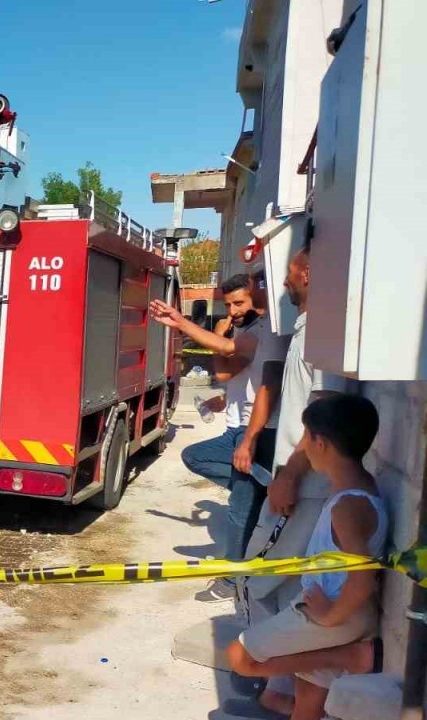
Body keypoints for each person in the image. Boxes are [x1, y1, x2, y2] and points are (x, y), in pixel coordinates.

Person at [225, 394, 387, 720]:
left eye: (305, 438)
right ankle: (341, 658)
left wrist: (329, 616)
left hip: (332, 614)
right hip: (334, 608)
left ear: (321, 442)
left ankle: (350, 657)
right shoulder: (360, 486)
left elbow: (364, 578)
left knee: (240, 658)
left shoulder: (348, 506)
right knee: (307, 704)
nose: (303, 449)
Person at [243, 243, 353, 715]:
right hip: (303, 486)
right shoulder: (310, 329)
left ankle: (277, 689)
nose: (280, 284)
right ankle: (280, 693)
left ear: (306, 273)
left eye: (285, 274)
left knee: (253, 578)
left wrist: (289, 475)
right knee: (289, 589)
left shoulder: (322, 335)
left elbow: (323, 418)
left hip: (304, 488)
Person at [150, 273, 289, 601]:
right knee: (207, 467)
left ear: (257, 294)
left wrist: (182, 323)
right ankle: (260, 490)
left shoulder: (265, 329)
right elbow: (232, 374)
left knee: (239, 509)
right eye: (228, 305)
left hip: (253, 430)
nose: (234, 309)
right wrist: (225, 399)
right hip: (241, 426)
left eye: (239, 302)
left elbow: (242, 370)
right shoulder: (256, 328)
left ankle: (232, 581)